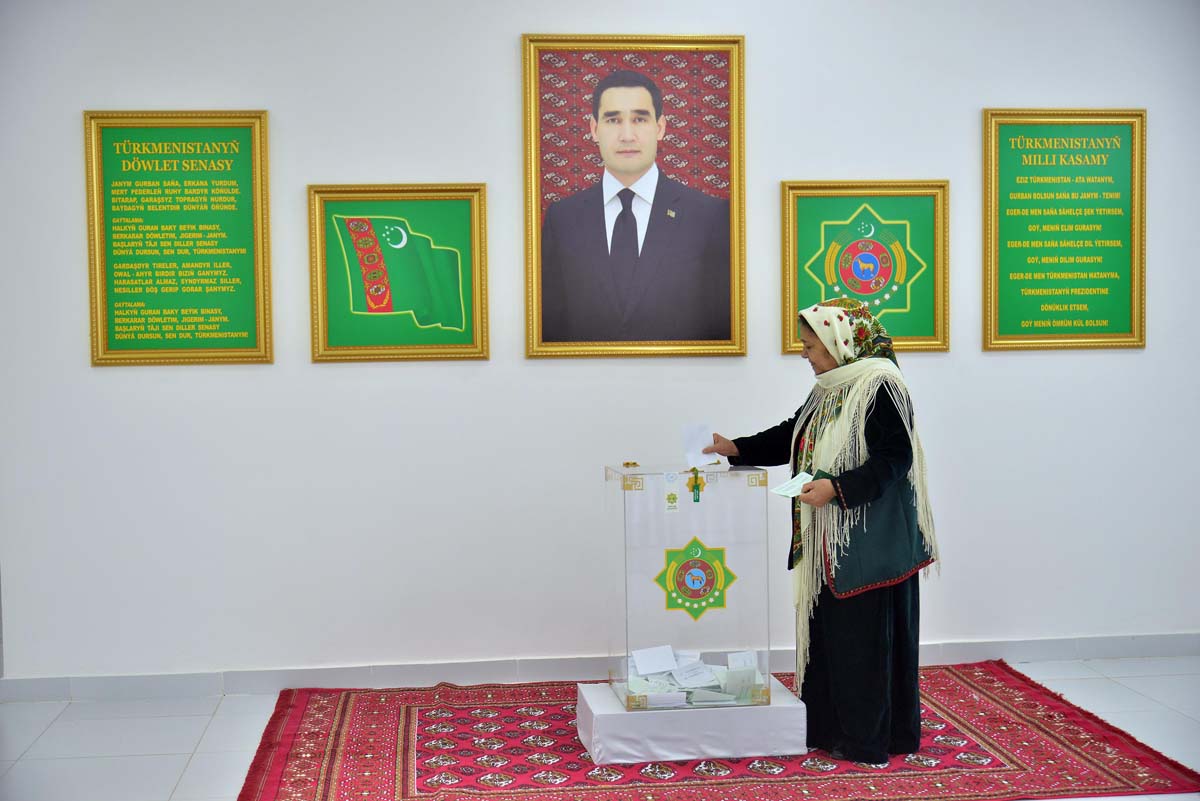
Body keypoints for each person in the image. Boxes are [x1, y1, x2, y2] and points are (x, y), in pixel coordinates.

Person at [703, 298, 939, 764]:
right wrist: (736, 448)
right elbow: (794, 434)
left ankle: (868, 738)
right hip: (830, 542)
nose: (804, 354)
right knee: (834, 639)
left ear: (840, 343)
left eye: (811, 346)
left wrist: (838, 488)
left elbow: (896, 459)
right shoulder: (831, 387)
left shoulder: (880, 386)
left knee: (864, 643)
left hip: (871, 544)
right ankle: (830, 729)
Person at [540, 69, 731, 342]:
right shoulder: (562, 219)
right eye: (613, 120)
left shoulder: (709, 216)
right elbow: (550, 326)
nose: (627, 135)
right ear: (594, 129)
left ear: (660, 127)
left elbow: (720, 327)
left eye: (639, 119)